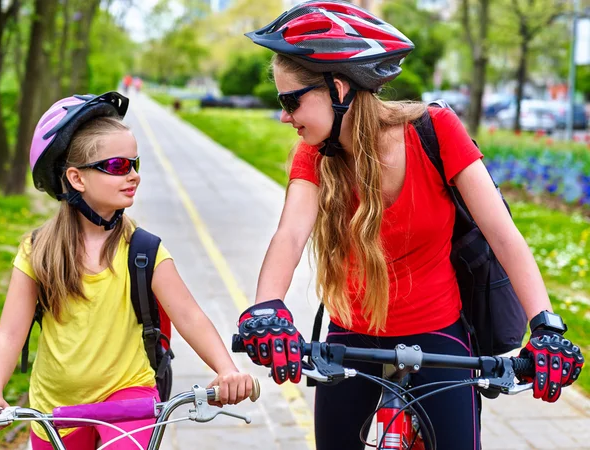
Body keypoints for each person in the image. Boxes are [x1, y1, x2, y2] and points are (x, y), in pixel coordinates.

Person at [235, 2, 584, 450]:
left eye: (291, 100)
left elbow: (504, 235)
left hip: (437, 333)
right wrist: (268, 309)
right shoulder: (315, 154)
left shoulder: (434, 130)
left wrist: (547, 327)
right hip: (350, 335)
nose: (284, 115)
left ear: (338, 88)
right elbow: (289, 234)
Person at [0, 92, 254, 449]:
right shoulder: (37, 253)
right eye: (117, 166)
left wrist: (226, 370)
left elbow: (190, 316)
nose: (133, 175)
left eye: (135, 164)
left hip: (127, 397)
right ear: (76, 178)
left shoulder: (143, 251)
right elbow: (9, 334)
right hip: (55, 404)